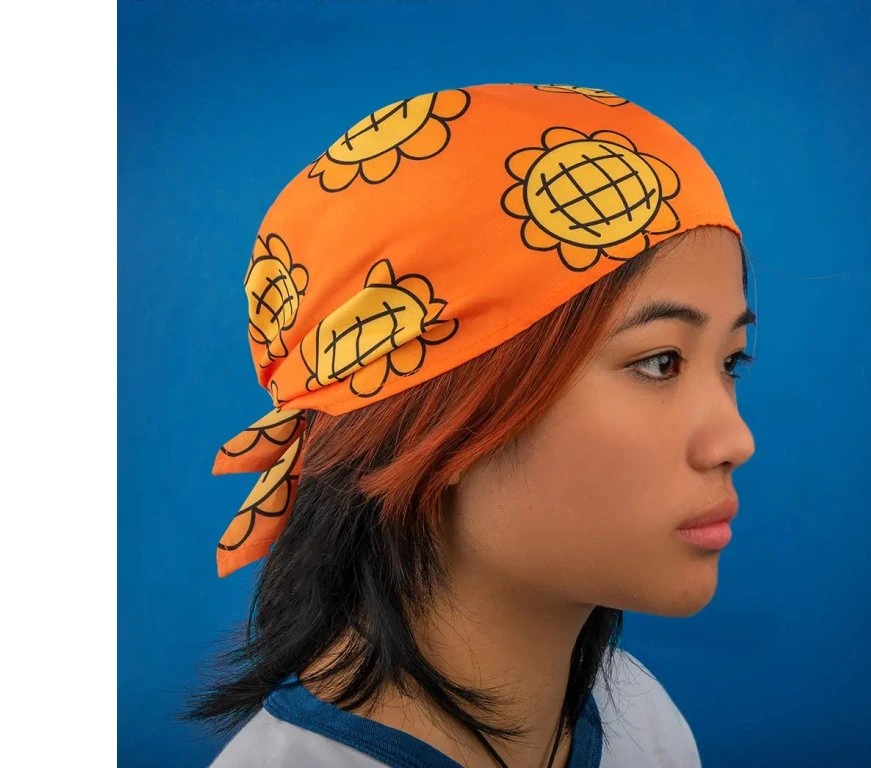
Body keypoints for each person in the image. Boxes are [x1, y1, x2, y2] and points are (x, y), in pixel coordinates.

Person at [182, 81, 756, 768]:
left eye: (731, 361)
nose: (735, 440)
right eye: (660, 362)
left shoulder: (640, 722)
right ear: (433, 418)